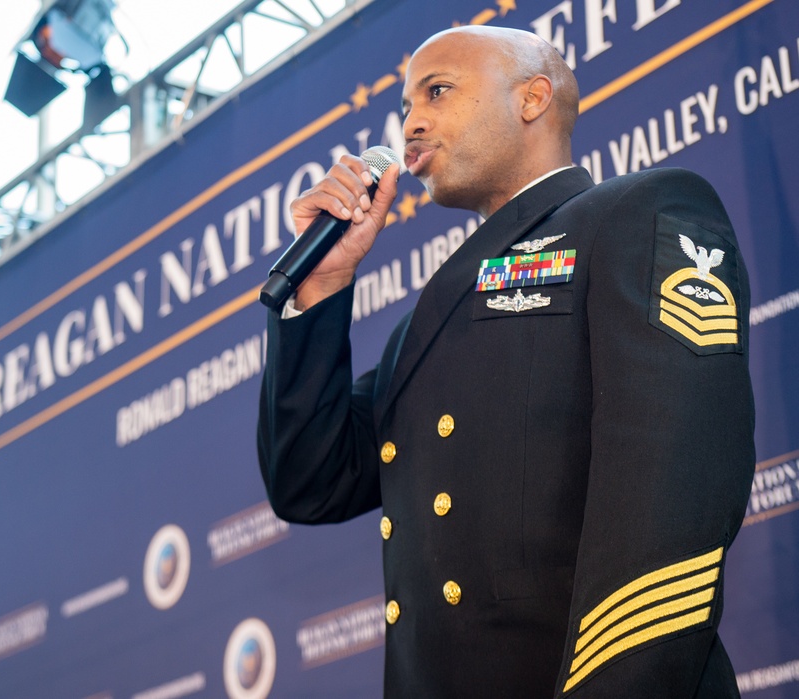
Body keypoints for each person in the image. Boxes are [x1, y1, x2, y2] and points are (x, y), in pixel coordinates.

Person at [257, 25, 755, 698]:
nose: (412, 124)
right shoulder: (422, 326)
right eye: (404, 107)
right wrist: (321, 287)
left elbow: (672, 493)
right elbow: (309, 480)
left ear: (532, 98)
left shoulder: (639, 212)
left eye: (437, 91)